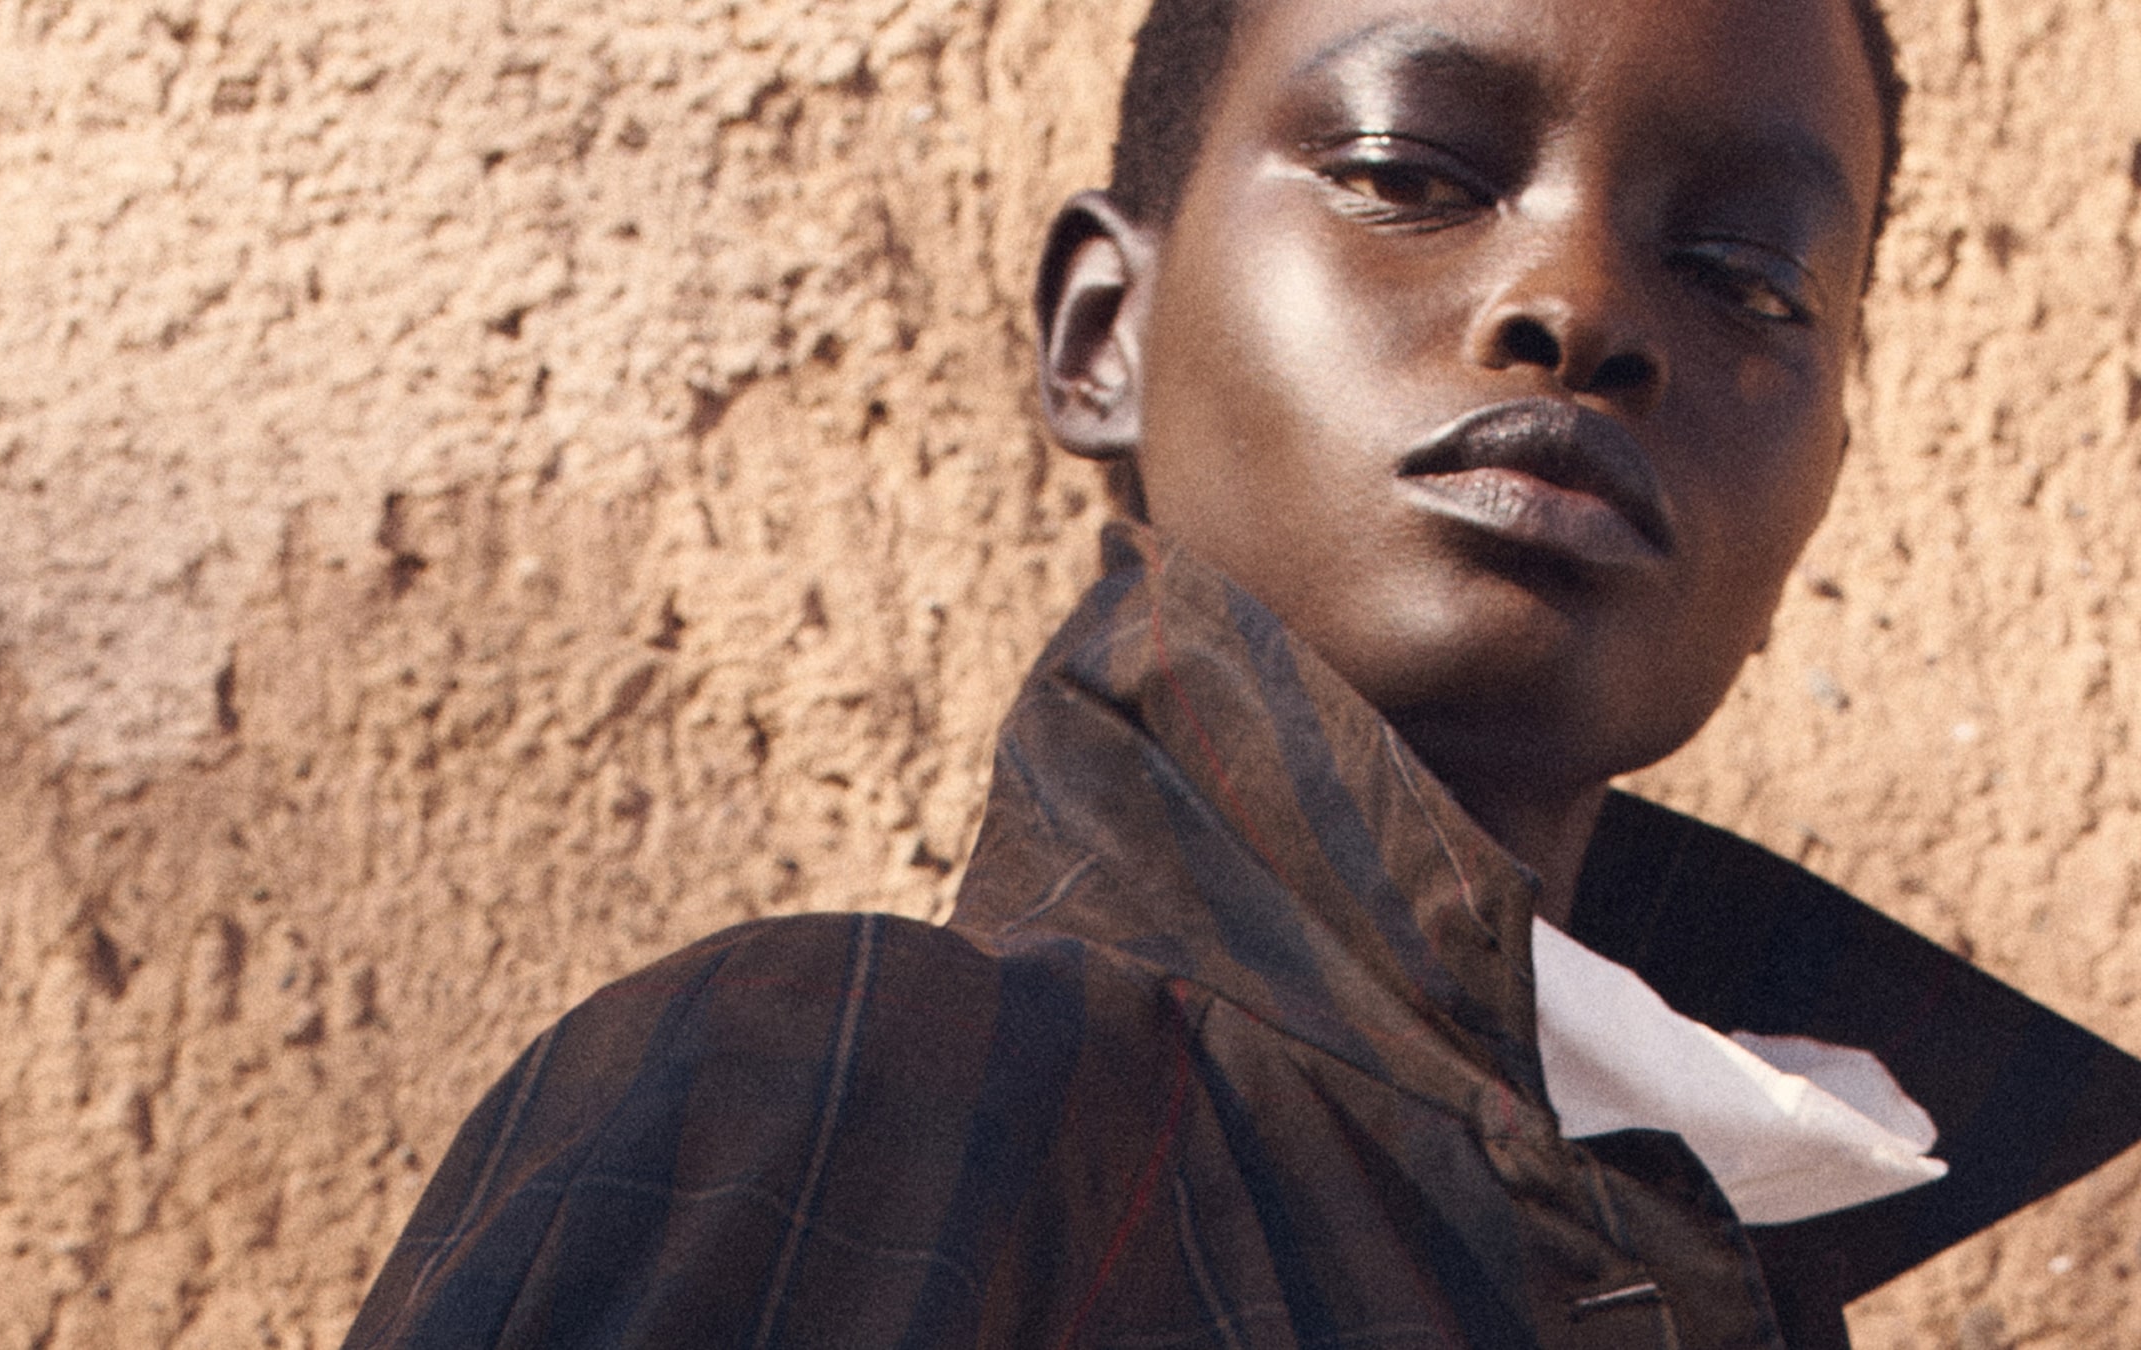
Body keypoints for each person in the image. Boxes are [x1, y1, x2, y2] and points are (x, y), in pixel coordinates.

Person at [342, 0, 2141, 1345]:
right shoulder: (854, 1095)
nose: (1581, 302)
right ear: (1101, 336)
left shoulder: (1730, 1238)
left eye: (1747, 275)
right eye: (1406, 175)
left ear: (1826, 473)